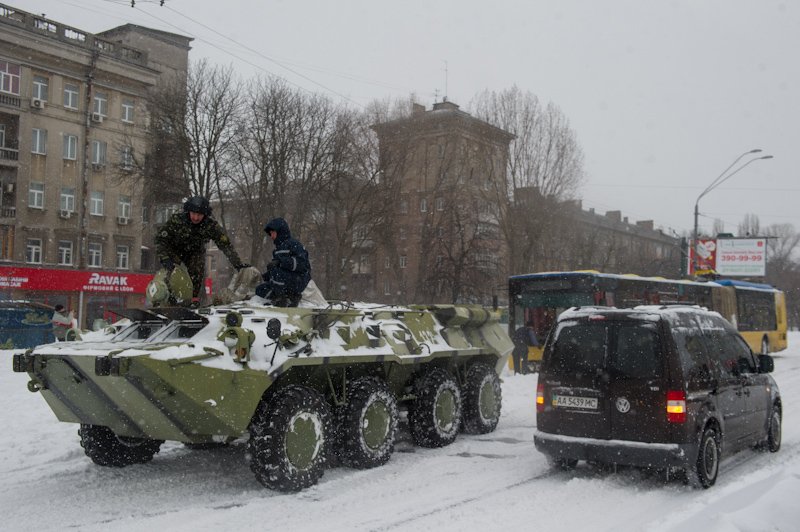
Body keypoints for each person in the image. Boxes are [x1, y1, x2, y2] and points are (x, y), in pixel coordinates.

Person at [155, 196, 249, 304]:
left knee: (197, 269)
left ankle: (192, 300)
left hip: (194, 253)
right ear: (188, 211)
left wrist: (237, 264)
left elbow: (226, 245)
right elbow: (160, 240)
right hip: (174, 252)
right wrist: (165, 258)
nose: (195, 218)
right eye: (193, 214)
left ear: (205, 214)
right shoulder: (177, 221)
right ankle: (164, 299)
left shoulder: (210, 225)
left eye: (199, 215)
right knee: (172, 274)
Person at [255, 217, 311, 307]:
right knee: (260, 289)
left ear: (280, 231)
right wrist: (265, 276)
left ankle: (283, 298)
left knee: (277, 273)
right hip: (284, 281)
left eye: (273, 233)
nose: (271, 236)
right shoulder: (277, 249)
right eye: (270, 234)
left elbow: (302, 264)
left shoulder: (293, 244)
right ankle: (286, 297)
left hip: (299, 279)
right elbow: (276, 268)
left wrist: (280, 262)